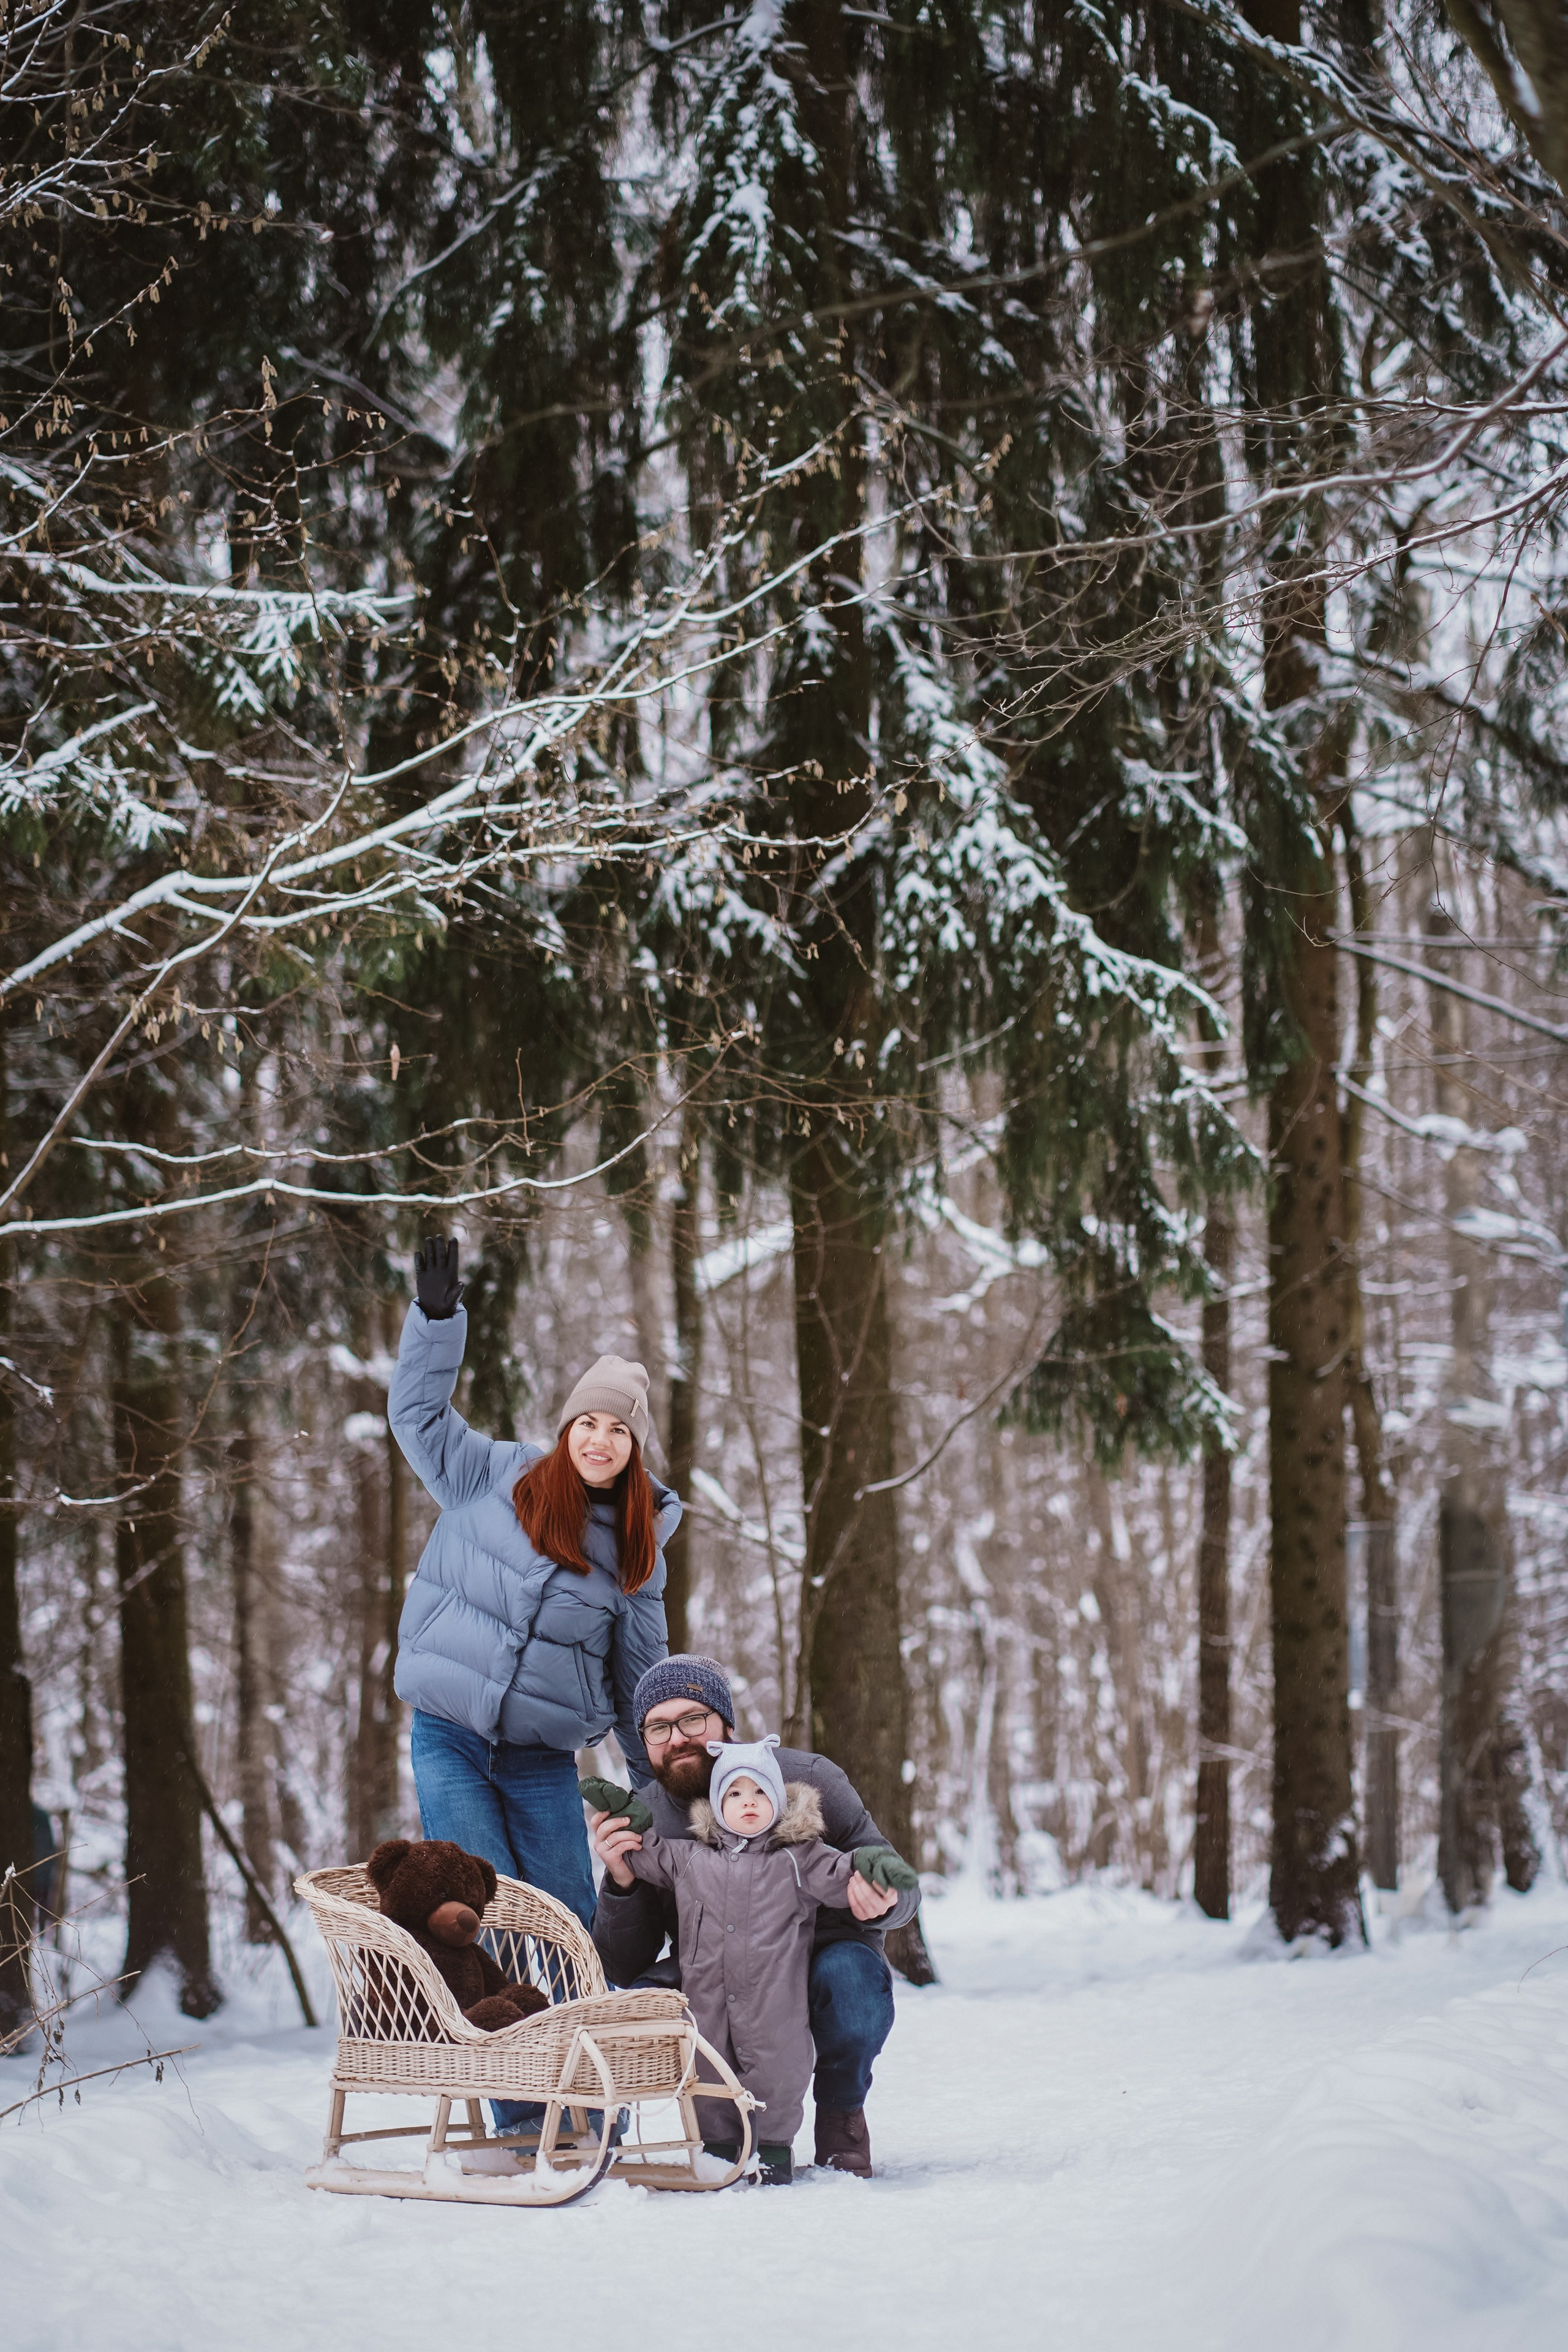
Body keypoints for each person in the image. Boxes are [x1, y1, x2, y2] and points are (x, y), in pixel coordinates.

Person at [388, 1233, 676, 1932]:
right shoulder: (495, 1474)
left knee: (563, 1917)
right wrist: (434, 1322)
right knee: (480, 1904)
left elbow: (640, 1685)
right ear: (567, 1426)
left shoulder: (636, 1553)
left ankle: (569, 2039)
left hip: (540, 1756)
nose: (598, 1440)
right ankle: (495, 2039)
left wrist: (658, 1798)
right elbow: (418, 1419)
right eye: (587, 1422)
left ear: (633, 1450)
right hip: (449, 1732)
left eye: (617, 1430)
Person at [588, 1654, 921, 2178]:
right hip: (713, 1965)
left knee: (852, 1981)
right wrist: (622, 1880)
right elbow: (624, 1965)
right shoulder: (652, 1814)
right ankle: (693, 2126)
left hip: (821, 1957)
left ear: (726, 1726)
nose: (676, 1738)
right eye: (658, 1726)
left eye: (692, 1719)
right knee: (647, 1999)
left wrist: (885, 1898)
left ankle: (840, 2114)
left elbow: (896, 1879)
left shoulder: (809, 1780)